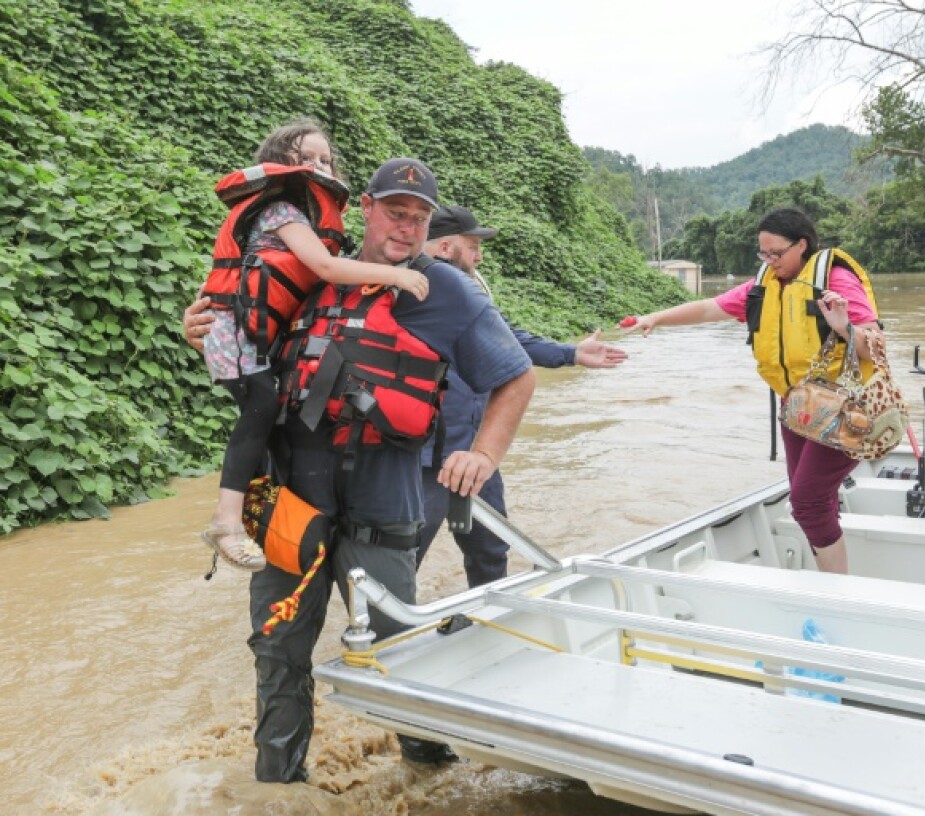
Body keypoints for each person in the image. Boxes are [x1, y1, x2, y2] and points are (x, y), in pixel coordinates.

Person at [187, 157, 535, 779]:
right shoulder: (309, 269)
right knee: (278, 648)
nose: (405, 227)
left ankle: (429, 773)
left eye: (419, 218)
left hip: (385, 493)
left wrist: (482, 455)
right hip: (293, 492)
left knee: (396, 648)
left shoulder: (444, 290)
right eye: (395, 211)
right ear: (366, 209)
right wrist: (203, 329)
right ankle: (279, 783)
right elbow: (243, 320)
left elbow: (515, 375)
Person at [196, 119, 430, 573]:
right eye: (306, 159)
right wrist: (396, 275)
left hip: (252, 339)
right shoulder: (281, 212)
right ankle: (226, 519)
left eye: (325, 159)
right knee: (261, 407)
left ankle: (241, 516)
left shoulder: (303, 217)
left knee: (264, 408)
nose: (318, 166)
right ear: (279, 163)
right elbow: (324, 267)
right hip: (237, 336)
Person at [627, 207, 882, 575]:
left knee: (807, 501)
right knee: (809, 500)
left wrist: (843, 326)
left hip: (847, 407)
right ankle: (829, 568)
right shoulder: (764, 286)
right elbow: (706, 310)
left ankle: (837, 587)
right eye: (764, 254)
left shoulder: (836, 281)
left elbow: (874, 347)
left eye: (776, 253)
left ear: (802, 245)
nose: (770, 261)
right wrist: (655, 318)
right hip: (798, 407)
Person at [415, 205, 628, 587]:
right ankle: (392, 641)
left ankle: (486, 621)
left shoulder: (466, 295)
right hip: (425, 457)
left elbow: (509, 342)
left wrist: (572, 354)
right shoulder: (410, 291)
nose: (480, 255)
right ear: (446, 247)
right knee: (407, 554)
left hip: (477, 450)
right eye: (473, 246)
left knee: (490, 549)